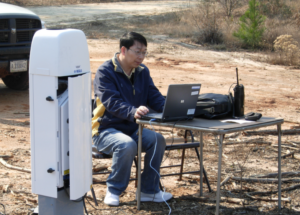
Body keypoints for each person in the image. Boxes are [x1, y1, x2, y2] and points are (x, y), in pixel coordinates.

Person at [92, 32, 173, 206]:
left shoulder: (142, 72)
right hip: (104, 130)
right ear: (123, 49)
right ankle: (114, 190)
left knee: (158, 140)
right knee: (127, 144)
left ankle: (148, 190)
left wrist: (172, 107)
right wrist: (132, 111)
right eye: (137, 51)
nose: (141, 57)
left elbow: (154, 97)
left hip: (132, 129)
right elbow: (112, 102)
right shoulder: (105, 72)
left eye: (144, 52)